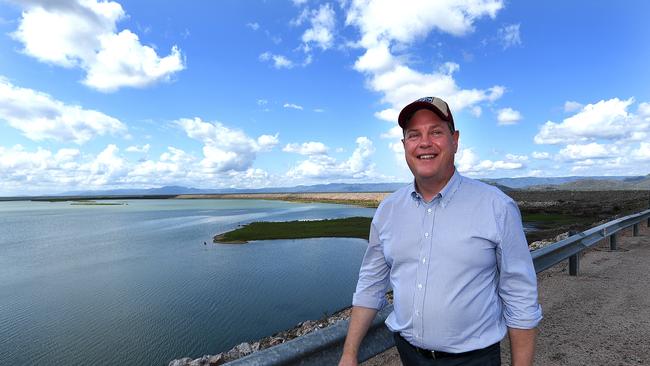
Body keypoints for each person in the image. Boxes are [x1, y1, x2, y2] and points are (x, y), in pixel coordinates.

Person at [339, 97, 542, 366]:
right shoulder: (388, 210)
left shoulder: (496, 206)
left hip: (474, 360)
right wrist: (349, 354)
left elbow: (520, 295)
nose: (424, 143)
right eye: (414, 135)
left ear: (455, 140)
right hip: (409, 355)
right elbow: (370, 284)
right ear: (404, 146)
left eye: (436, 131)